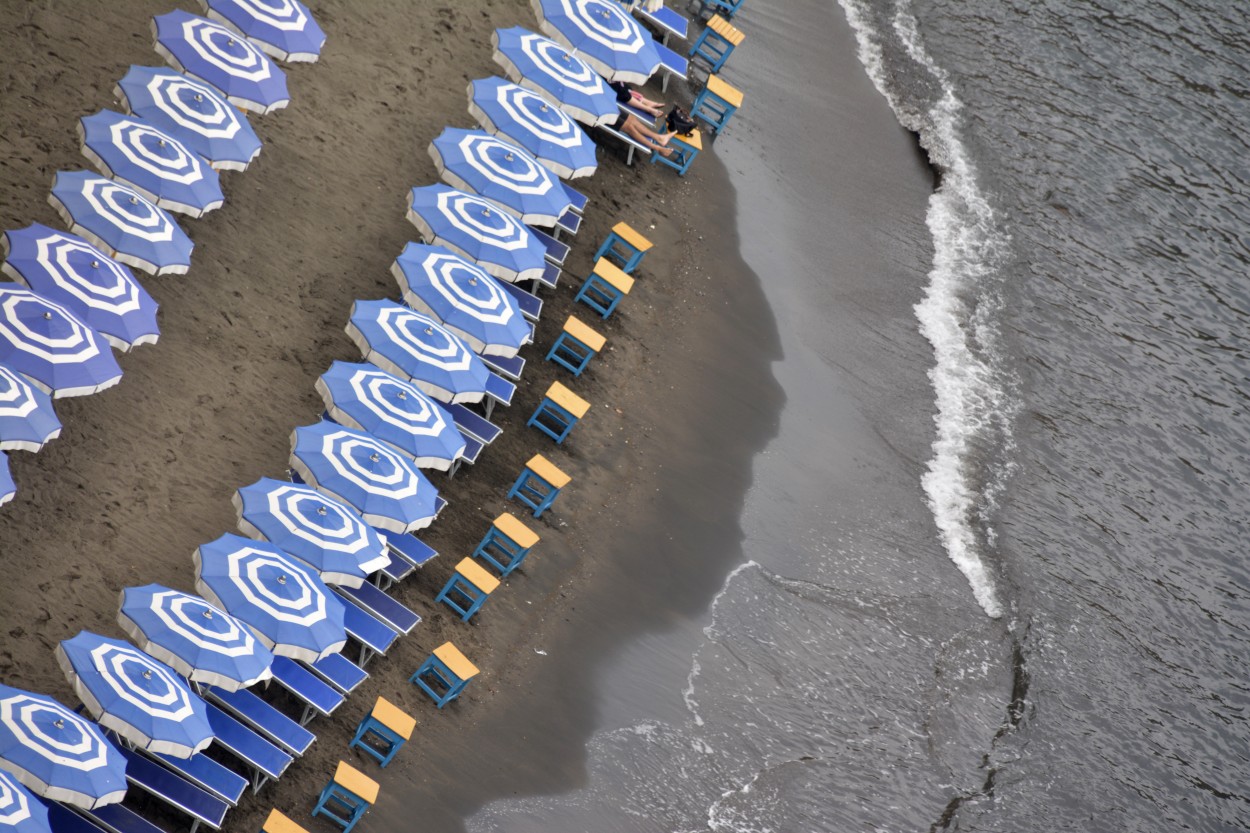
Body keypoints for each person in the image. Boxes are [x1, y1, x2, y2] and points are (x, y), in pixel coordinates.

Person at [608, 80, 676, 157]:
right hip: (598, 112)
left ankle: (658, 137)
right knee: (628, 127)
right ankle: (657, 148)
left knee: (631, 119)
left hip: (605, 103)